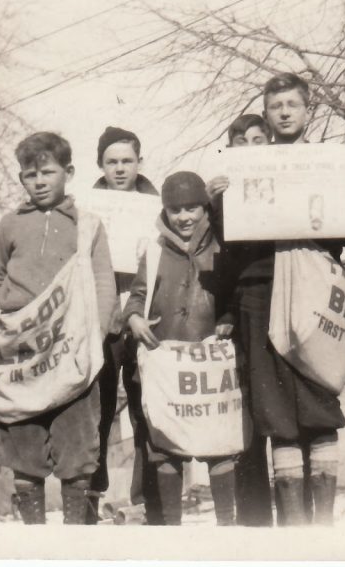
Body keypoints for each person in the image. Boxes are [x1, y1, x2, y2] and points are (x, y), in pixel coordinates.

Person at [207, 74, 345, 525]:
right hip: (259, 292)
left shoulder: (331, 162)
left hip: (317, 289)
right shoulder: (246, 166)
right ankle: (295, 531)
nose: (284, 112)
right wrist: (219, 202)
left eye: (292, 104)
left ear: (308, 111)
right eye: (276, 105)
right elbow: (228, 241)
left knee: (317, 398)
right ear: (266, 113)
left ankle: (322, 528)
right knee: (275, 408)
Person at [0, 132, 117, 524]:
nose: (39, 181)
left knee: (76, 440)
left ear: (68, 172)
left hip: (70, 349)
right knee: (24, 442)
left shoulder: (86, 225)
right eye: (30, 174)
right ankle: (36, 542)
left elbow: (103, 279)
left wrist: (96, 332)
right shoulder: (10, 225)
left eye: (47, 172)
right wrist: (3, 327)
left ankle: (74, 540)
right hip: (22, 352)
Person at [122, 171, 240, 526]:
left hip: (211, 365)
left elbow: (236, 291)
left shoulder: (223, 245)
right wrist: (134, 319)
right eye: (176, 210)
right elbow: (137, 296)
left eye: (192, 208)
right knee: (164, 445)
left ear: (205, 209)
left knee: (220, 443)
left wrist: (230, 316)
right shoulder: (154, 252)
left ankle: (227, 525)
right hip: (167, 366)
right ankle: (173, 529)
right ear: (165, 212)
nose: (185, 217)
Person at [89, 126, 161, 522]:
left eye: (127, 161)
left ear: (139, 162)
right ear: (100, 165)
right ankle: (92, 490)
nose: (120, 169)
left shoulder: (155, 206)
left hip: (142, 315)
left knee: (142, 407)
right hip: (100, 318)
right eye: (111, 162)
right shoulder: (87, 207)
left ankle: (146, 497)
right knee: (97, 408)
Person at [208, 114, 276, 527]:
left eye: (257, 139)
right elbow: (222, 267)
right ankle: (254, 523)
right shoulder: (222, 199)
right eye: (240, 141)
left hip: (285, 301)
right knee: (250, 416)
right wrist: (217, 204)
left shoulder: (289, 182)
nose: (250, 147)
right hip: (245, 310)